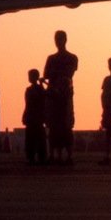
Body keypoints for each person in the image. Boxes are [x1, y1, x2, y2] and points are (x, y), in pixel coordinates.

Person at [43, 30, 79, 164]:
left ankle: (68, 155)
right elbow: (47, 74)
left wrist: (55, 74)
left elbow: (68, 73)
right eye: (56, 39)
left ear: (65, 40)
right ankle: (53, 154)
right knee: (53, 126)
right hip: (54, 95)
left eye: (60, 39)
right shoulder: (52, 58)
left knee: (66, 125)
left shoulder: (72, 57)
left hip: (65, 95)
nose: (58, 41)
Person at [21, 69, 48, 165]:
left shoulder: (37, 90)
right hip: (32, 116)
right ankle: (32, 157)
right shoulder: (31, 89)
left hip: (36, 116)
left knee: (37, 138)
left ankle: (40, 157)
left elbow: (42, 101)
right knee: (32, 138)